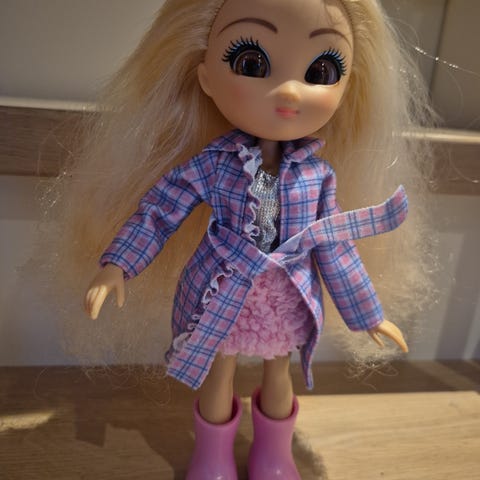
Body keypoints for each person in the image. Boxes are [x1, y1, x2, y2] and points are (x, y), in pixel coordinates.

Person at [59, 0, 435, 478]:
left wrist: (367, 312)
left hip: (287, 294)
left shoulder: (318, 177)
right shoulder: (215, 165)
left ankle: (273, 456)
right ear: (205, 77)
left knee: (280, 372)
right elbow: (160, 210)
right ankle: (212, 457)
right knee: (219, 370)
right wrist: (119, 264)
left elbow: (334, 245)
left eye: (321, 70)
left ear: (347, 87)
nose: (290, 90)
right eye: (252, 63)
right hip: (222, 288)